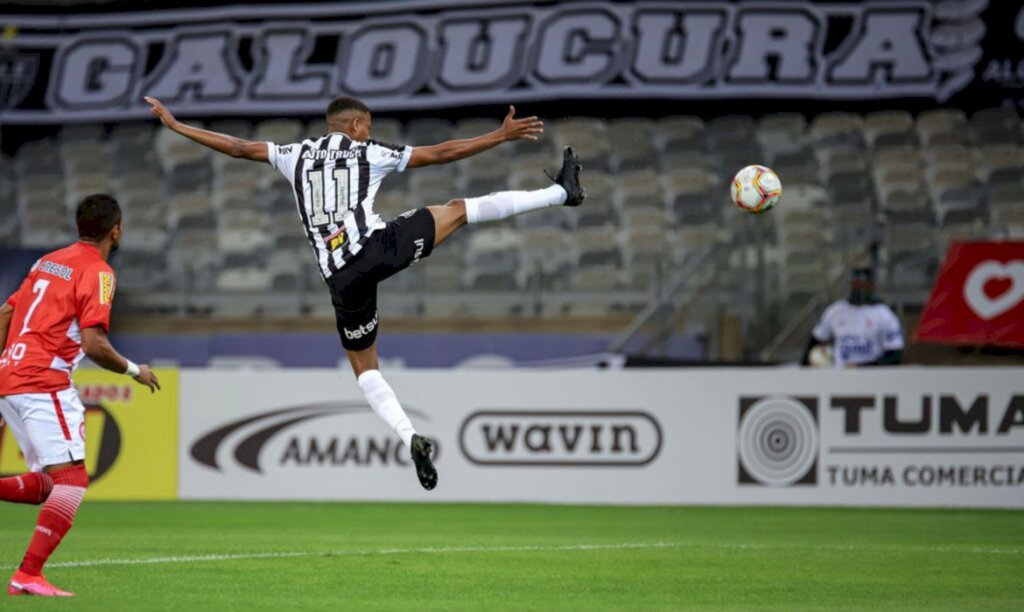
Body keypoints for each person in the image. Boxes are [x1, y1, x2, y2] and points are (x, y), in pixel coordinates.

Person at [145, 95, 584, 490]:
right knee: (457, 210)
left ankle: (410, 436)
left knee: (365, 369)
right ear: (355, 125)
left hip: (339, 279)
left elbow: (238, 147)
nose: (369, 132)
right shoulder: (367, 152)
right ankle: (560, 194)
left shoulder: (291, 154)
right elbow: (441, 153)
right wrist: (500, 136)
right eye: (368, 126)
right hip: (377, 250)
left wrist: (178, 125)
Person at [0, 194, 161, 597]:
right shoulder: (99, 272)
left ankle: (29, 575)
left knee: (47, 485)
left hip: (10, 376)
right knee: (72, 482)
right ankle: (27, 575)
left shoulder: (45, 262)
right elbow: (93, 343)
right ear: (116, 230)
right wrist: (134, 371)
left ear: (78, 227)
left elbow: (5, 313)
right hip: (43, 380)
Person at [802, 267, 904, 368]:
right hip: (841, 375)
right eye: (856, 285)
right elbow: (815, 340)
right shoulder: (835, 311)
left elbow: (894, 355)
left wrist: (861, 367)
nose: (859, 289)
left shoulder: (884, 314)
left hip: (872, 375)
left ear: (871, 287)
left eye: (863, 285)